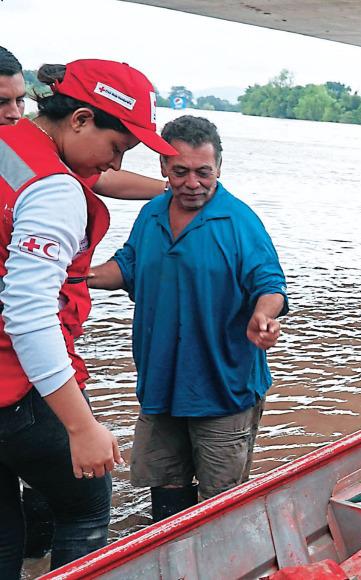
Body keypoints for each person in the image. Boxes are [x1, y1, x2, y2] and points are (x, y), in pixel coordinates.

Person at [0, 59, 177, 577]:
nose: (114, 162)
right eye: (118, 147)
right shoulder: (55, 192)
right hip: (15, 391)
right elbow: (29, 314)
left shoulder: (11, 147)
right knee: (85, 505)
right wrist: (81, 427)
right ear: (79, 120)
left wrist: (170, 191)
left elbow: (101, 177)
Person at [89, 115, 288, 521]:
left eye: (203, 172)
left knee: (219, 505)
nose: (192, 183)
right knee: (165, 494)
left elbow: (270, 283)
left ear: (219, 168)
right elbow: (128, 266)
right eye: (180, 172)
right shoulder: (152, 213)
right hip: (160, 386)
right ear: (163, 166)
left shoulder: (239, 221)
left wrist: (264, 316)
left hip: (222, 391)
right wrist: (76, 276)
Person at [0, 46, 166, 201]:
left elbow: (103, 179)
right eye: (115, 149)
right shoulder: (53, 186)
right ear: (80, 120)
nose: (15, 114)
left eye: (20, 100)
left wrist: (176, 189)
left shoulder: (44, 155)